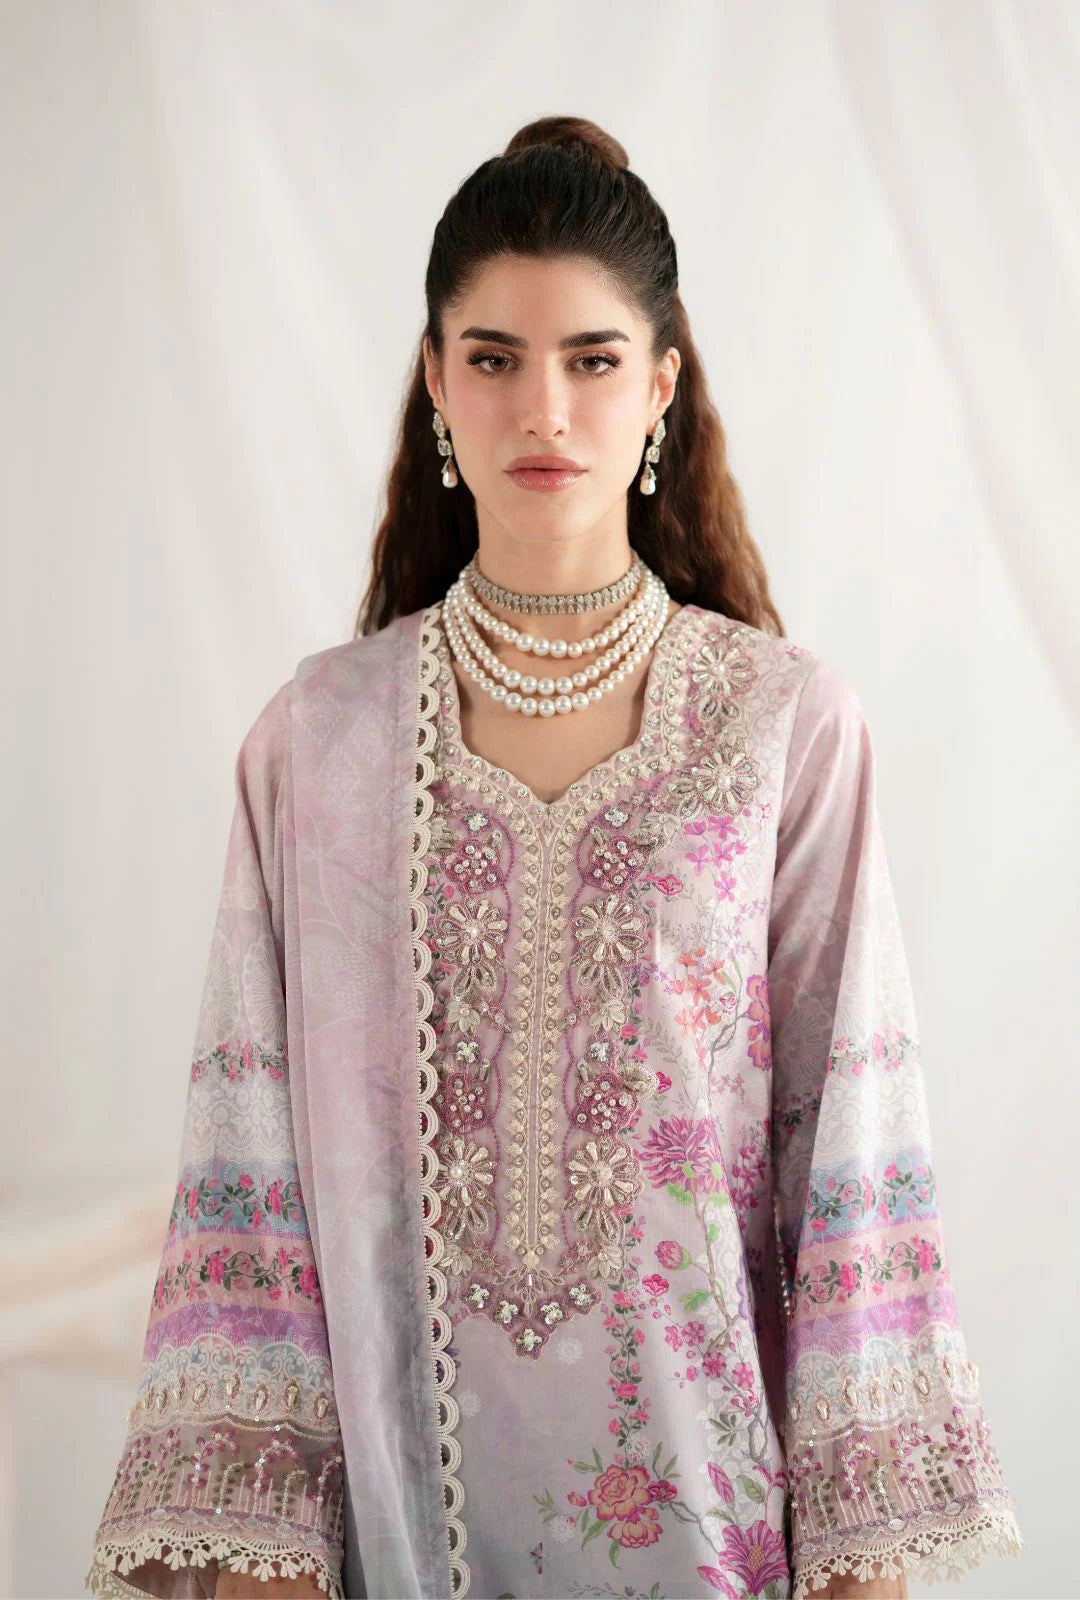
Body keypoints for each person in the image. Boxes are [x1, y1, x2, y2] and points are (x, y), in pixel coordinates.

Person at [85, 116, 1023, 1600]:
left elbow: (852, 1161)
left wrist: (863, 1575)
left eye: (592, 359)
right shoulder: (321, 744)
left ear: (661, 387)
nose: (544, 408)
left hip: (714, 1540)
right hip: (389, 1550)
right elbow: (246, 1183)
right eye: (495, 357)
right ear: (436, 382)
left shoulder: (780, 729)